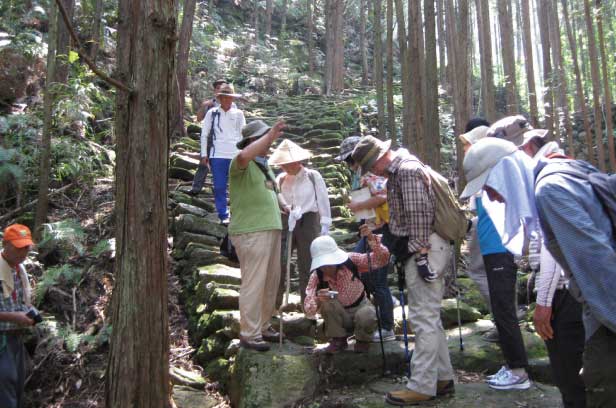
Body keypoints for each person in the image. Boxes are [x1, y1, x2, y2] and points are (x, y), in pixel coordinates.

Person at [463, 137, 616, 407]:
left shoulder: (550, 191)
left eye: (490, 186)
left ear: (505, 173)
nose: (491, 196)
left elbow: (600, 269)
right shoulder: (558, 175)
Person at [482, 130, 586, 407]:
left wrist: (543, 302)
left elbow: (554, 252)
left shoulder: (544, 183)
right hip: (575, 294)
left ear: (525, 147)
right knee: (574, 376)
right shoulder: (563, 170)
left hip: (566, 297)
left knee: (572, 377)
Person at [352, 136, 455, 406]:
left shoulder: (407, 171)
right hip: (427, 248)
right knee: (430, 316)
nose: (371, 172)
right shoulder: (405, 169)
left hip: (426, 249)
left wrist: (420, 255)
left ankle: (421, 385)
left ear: (379, 158)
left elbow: (420, 213)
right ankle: (442, 377)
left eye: (370, 166)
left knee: (422, 318)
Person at [460, 131, 531, 391]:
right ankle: (513, 364)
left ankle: (518, 371)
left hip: (499, 247)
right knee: (501, 310)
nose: (466, 148)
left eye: (469, 143)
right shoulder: (489, 176)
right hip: (493, 247)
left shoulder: (500, 173)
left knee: (504, 310)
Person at [229, 119, 286, 352]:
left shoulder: (265, 166)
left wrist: (286, 206)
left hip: (271, 228)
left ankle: (263, 324)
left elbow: (274, 192)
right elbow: (243, 156)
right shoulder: (241, 162)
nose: (270, 143)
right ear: (253, 141)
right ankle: (249, 332)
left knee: (271, 281)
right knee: (254, 282)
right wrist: (271, 134)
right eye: (264, 138)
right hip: (251, 230)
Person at [335, 136, 395, 342]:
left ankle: (387, 326)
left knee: (378, 277)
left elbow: (383, 195)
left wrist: (359, 206)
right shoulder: (363, 174)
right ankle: (378, 311)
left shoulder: (371, 172)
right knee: (355, 266)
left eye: (350, 160)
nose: (349, 165)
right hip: (371, 228)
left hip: (381, 230)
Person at [304, 225, 386, 353]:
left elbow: (381, 260)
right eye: (322, 264)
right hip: (340, 315)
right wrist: (318, 300)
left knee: (367, 314)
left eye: (329, 263)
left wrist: (371, 238)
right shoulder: (317, 276)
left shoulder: (351, 261)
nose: (326, 268)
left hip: (361, 307)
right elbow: (308, 309)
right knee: (327, 305)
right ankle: (338, 340)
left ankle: (363, 340)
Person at [269, 139, 331, 305]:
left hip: (308, 221)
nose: (283, 167)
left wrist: (325, 224)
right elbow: (276, 199)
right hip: (286, 220)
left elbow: (323, 199)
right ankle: (274, 304)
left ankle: (309, 304)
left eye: (286, 163)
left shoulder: (312, 176)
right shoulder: (281, 179)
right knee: (280, 262)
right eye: (281, 164)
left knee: (308, 264)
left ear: (297, 162)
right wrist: (286, 209)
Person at [458, 123, 495, 342]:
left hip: (489, 232)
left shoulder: (485, 167)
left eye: (466, 145)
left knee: (479, 271)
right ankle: (504, 318)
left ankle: (503, 319)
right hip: (486, 229)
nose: (464, 150)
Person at [198, 83, 246, 223]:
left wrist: (244, 153)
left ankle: (236, 212)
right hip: (217, 154)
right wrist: (203, 154)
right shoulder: (211, 113)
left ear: (233, 99)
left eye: (229, 97)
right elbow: (205, 134)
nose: (226, 100)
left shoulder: (239, 114)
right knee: (219, 186)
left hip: (235, 154)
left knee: (236, 186)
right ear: (219, 98)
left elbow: (243, 134)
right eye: (223, 97)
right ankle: (223, 214)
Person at [0, 224, 35, 408]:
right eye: (19, 247)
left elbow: (20, 302)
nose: (23, 252)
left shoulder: (19, 270)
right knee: (5, 385)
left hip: (16, 339)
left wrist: (28, 314)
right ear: (5, 244)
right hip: (1, 340)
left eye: (26, 247)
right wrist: (15, 317)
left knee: (18, 385)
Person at [189, 79, 233, 196]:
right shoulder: (209, 104)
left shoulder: (232, 105)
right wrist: (203, 106)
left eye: (222, 88)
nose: (220, 90)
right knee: (204, 163)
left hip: (225, 140)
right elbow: (198, 119)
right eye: (217, 88)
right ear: (215, 91)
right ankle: (196, 188)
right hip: (210, 139)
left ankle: (220, 189)